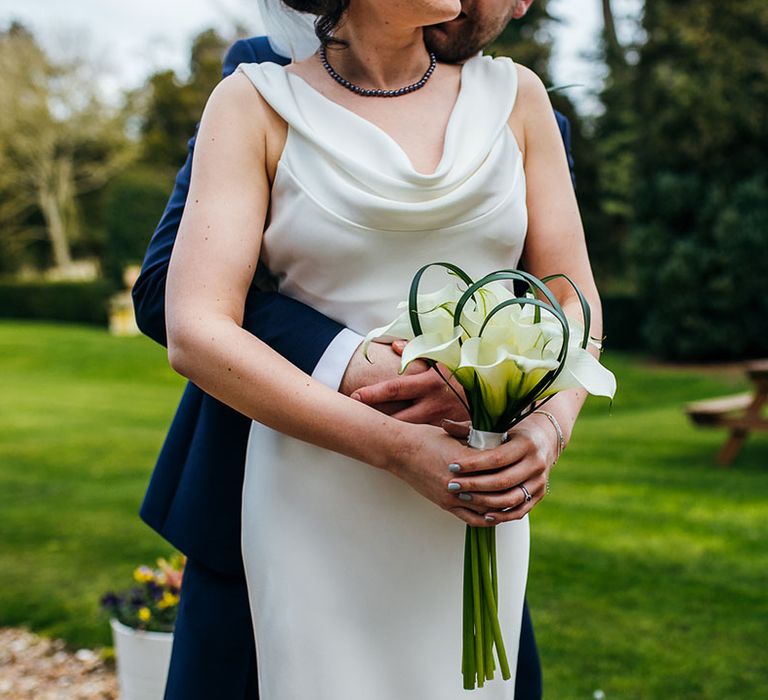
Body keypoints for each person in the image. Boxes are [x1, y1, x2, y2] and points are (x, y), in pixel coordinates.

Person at [132, 0, 583, 698]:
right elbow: (189, 320)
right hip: (310, 480)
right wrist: (395, 441)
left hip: (471, 488)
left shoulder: (518, 97)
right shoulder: (252, 101)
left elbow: (570, 297)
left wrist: (548, 423)